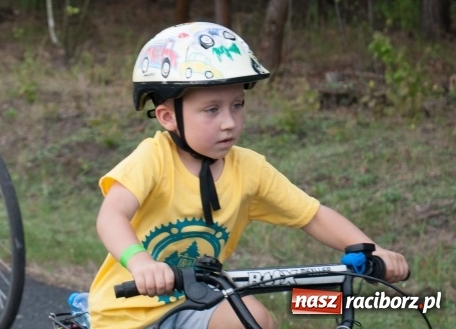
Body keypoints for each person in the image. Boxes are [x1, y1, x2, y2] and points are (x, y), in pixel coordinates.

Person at [87, 22, 409, 328]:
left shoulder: (249, 169)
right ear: (168, 116)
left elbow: (312, 216)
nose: (229, 121)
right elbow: (112, 215)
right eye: (212, 109)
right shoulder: (154, 158)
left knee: (253, 319)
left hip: (197, 302)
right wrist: (141, 263)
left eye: (237, 105)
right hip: (127, 314)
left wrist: (370, 250)